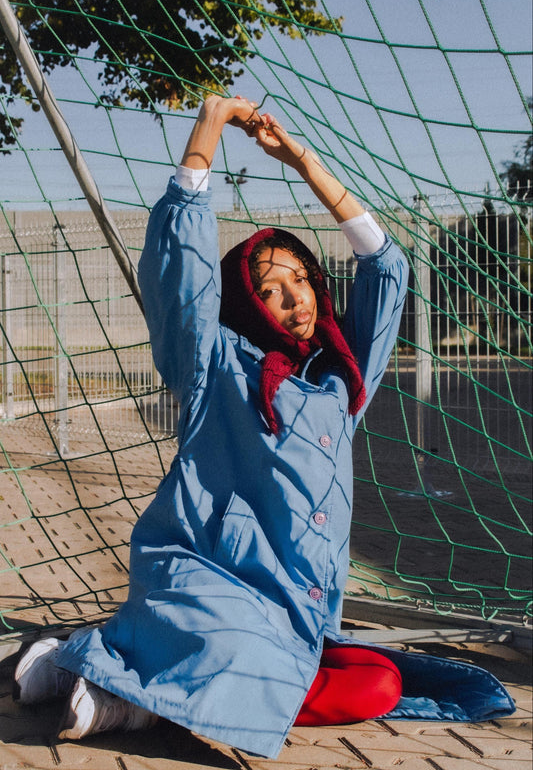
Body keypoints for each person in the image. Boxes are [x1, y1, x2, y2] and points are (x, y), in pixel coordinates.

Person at [13, 95, 515, 759]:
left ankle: (119, 665)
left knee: (376, 681)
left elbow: (387, 269)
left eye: (302, 278)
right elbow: (180, 278)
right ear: (247, 301)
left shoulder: (342, 382)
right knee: (240, 659)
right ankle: (113, 686)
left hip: (293, 612)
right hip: (206, 584)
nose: (296, 298)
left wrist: (301, 159)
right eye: (273, 288)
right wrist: (210, 125)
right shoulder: (213, 367)